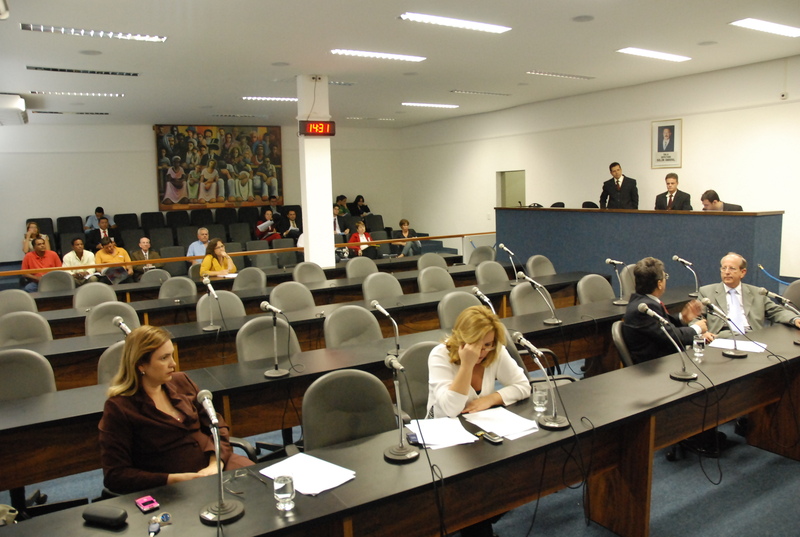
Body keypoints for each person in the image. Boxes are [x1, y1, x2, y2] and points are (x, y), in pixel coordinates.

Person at [98, 325, 253, 494]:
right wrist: (173, 479)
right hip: (174, 489)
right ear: (140, 365)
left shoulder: (181, 381)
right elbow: (115, 475)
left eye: (171, 355)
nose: (173, 363)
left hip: (218, 466)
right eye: (164, 358)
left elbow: (217, 426)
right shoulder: (119, 407)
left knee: (263, 490)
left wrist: (215, 463)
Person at [427, 305, 531, 419]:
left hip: (480, 421)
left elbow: (523, 386)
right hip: (444, 424)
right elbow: (450, 410)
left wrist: (490, 399)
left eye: (487, 344)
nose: (480, 352)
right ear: (461, 339)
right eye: (474, 343)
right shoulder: (440, 354)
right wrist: (467, 366)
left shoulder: (495, 349)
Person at [622, 257, 709, 364]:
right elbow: (672, 337)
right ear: (659, 284)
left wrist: (682, 318)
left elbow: (662, 327)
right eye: (665, 277)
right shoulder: (645, 308)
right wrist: (697, 328)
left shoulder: (642, 301)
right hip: (654, 365)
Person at [694, 253, 800, 335]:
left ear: (743, 272)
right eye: (723, 268)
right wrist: (702, 333)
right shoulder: (706, 292)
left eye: (732, 268)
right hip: (720, 335)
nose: (727, 272)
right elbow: (695, 317)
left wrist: (795, 319)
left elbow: (777, 311)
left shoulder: (758, 293)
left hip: (752, 335)